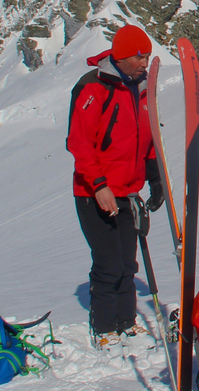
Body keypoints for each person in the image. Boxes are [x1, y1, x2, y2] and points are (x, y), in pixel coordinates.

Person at [67, 24, 165, 349]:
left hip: (127, 191)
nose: (145, 63)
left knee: (127, 262)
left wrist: (155, 179)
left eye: (148, 56)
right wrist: (99, 186)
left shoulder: (141, 89)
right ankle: (104, 327)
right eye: (139, 57)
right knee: (108, 261)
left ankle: (127, 322)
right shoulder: (92, 87)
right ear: (121, 57)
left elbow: (147, 138)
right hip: (93, 192)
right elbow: (79, 143)